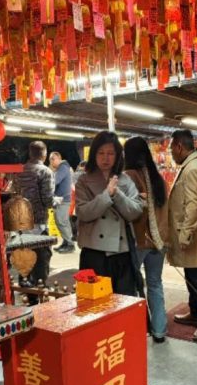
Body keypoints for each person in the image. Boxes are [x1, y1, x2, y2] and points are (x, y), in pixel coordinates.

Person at [74, 131, 144, 296]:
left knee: (123, 300)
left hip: (121, 252)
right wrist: (106, 195)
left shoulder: (125, 180)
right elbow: (83, 213)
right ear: (94, 154)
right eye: (101, 153)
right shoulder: (83, 181)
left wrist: (117, 194)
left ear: (118, 156)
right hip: (94, 252)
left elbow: (135, 212)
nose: (106, 158)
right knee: (95, 302)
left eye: (111, 153)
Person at [166, 129, 197, 341]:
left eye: (171, 149)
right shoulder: (190, 165)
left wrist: (185, 234)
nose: (171, 154)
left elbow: (193, 206)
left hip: (192, 235)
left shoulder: (193, 168)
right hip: (191, 233)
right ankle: (195, 312)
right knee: (191, 274)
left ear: (179, 146)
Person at [124, 137, 169, 343]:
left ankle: (136, 331)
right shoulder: (158, 178)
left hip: (139, 240)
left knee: (133, 286)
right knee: (155, 284)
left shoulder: (128, 176)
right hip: (159, 241)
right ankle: (159, 331)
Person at [16, 141, 55, 303]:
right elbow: (48, 200)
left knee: (24, 259)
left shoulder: (19, 171)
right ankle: (39, 296)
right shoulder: (45, 171)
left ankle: (27, 297)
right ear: (44, 155)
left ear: (30, 153)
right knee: (41, 261)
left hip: (20, 223)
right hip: (39, 224)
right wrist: (57, 201)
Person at [49, 151, 75, 254]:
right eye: (50, 159)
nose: (51, 161)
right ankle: (66, 242)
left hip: (63, 200)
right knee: (62, 222)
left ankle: (70, 244)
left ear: (59, 159)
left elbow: (55, 181)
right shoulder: (62, 168)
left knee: (62, 222)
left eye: (53, 159)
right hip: (62, 199)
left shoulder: (63, 167)